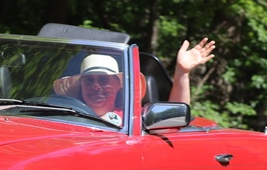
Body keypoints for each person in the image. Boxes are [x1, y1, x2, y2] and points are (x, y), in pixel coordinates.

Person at [53, 38, 216, 125]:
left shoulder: (133, 119)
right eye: (88, 81)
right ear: (81, 86)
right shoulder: (65, 118)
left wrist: (182, 72)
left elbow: (175, 118)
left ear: (118, 84)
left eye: (103, 80)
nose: (96, 86)